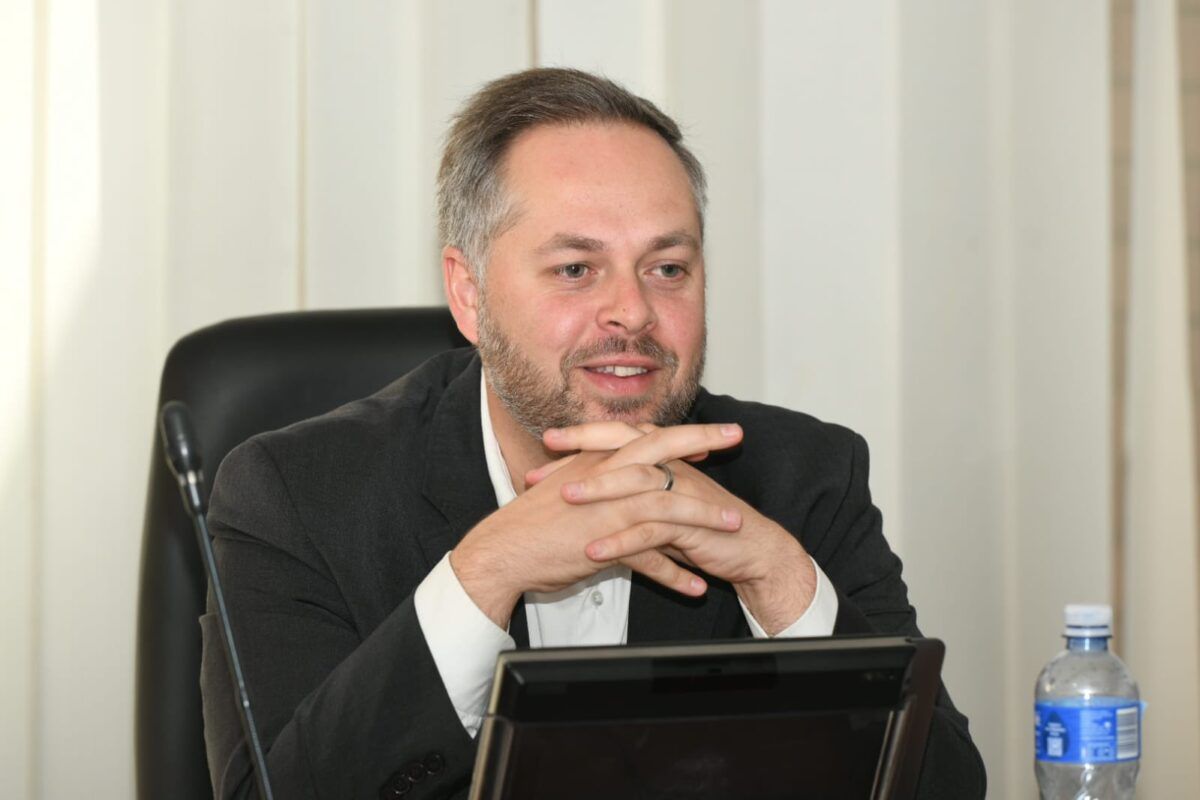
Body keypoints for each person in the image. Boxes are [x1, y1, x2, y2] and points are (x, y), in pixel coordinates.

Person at [201, 67, 987, 799]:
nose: (634, 313)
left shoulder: (800, 477)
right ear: (469, 295)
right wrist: (488, 569)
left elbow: (948, 787)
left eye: (667, 268)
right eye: (577, 269)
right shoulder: (296, 494)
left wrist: (777, 576)